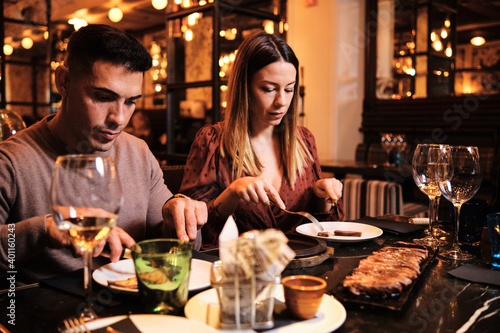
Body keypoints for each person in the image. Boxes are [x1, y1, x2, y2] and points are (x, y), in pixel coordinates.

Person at [0, 24, 207, 285]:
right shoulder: (10, 161)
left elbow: (178, 251)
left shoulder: (138, 152)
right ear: (64, 81)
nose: (119, 119)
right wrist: (45, 230)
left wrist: (183, 221)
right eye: (103, 97)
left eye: (131, 101)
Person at [179, 31, 344, 250]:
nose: (281, 102)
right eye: (268, 89)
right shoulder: (212, 141)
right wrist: (232, 193)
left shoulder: (303, 140)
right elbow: (192, 230)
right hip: (239, 274)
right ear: (244, 88)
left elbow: (322, 230)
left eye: (289, 89)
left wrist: (322, 194)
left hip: (303, 272)